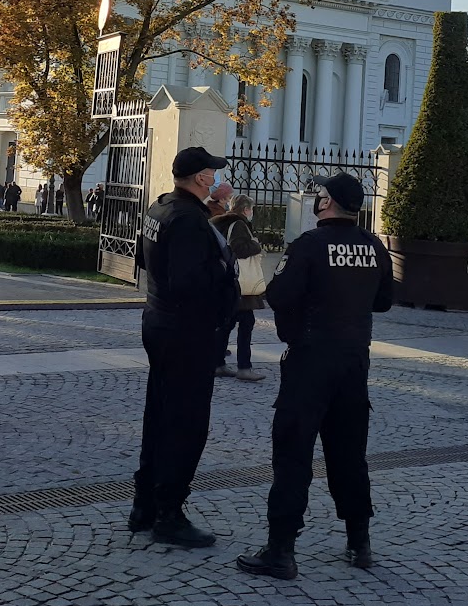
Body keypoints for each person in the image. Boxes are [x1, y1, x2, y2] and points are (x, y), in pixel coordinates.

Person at [237, 173, 393, 580]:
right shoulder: (374, 246)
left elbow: (279, 295)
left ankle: (281, 549)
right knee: (349, 456)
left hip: (309, 363)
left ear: (325, 203)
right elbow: (384, 301)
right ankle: (360, 542)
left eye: (319, 195)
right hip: (354, 364)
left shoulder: (308, 245)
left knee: (292, 455)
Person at [130, 146, 239, 548]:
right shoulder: (190, 221)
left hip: (158, 322)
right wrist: (225, 274)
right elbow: (190, 282)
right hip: (186, 332)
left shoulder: (161, 208)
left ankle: (144, 505)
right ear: (201, 179)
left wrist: (212, 207)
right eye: (211, 172)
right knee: (187, 424)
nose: (215, 176)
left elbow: (147, 260)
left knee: (158, 415)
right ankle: (169, 514)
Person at [212, 193, 267, 382]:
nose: (251, 212)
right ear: (245, 209)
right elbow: (239, 249)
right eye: (251, 209)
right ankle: (244, 367)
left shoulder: (218, 222)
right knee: (246, 324)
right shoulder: (239, 224)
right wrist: (256, 245)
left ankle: (218, 363)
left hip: (223, 279)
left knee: (226, 323)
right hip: (239, 283)